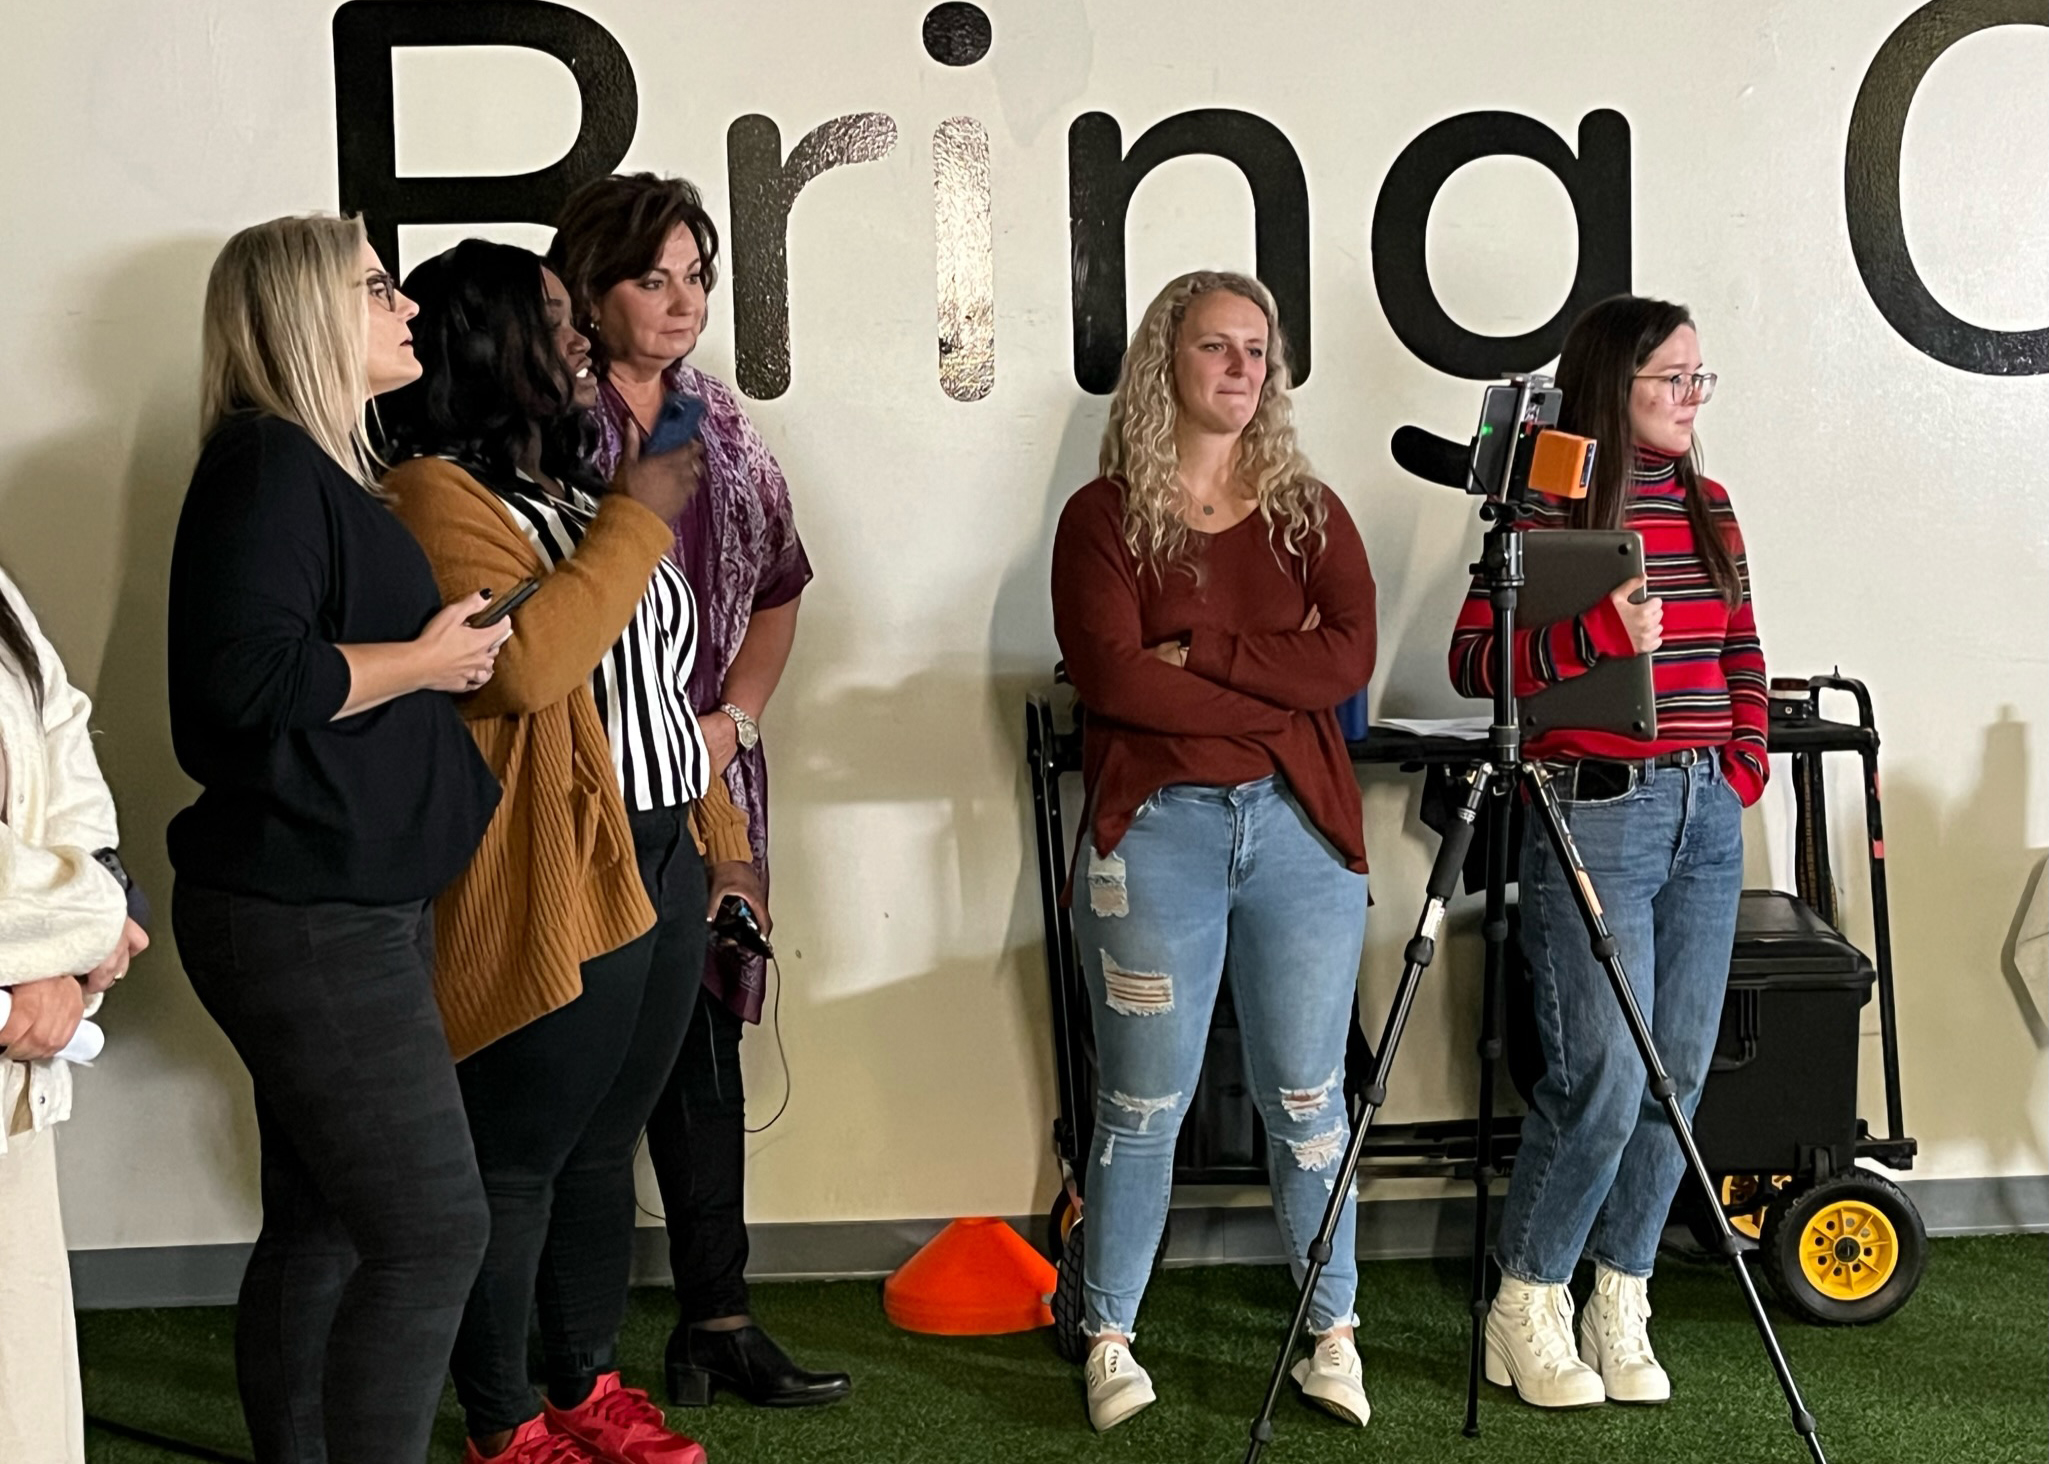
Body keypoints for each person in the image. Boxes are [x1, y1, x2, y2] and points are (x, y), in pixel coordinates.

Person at [381, 238, 766, 1464]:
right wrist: (639, 520)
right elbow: (528, 667)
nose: (579, 341)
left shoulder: (571, 490)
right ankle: (501, 1423)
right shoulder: (435, 493)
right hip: (556, 860)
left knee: (604, 1146)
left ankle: (584, 1388)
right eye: (552, 321)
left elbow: (663, 687)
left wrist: (724, 840)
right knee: (520, 1155)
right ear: (486, 342)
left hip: (660, 850)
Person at [166, 214, 505, 1464]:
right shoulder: (265, 468)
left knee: (328, 1227)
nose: (406, 306)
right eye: (375, 288)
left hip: (341, 902)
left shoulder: (310, 469)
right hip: (305, 914)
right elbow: (242, 685)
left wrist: (431, 661)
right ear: (305, 315)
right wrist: (425, 660)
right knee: (432, 1231)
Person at [1049, 270, 1378, 1431]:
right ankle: (1108, 1336)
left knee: (1310, 1102)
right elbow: (1113, 680)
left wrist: (1207, 657)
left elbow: (1347, 659)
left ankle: (1332, 1335)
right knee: (1143, 1105)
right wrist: (1272, 699)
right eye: (1216, 347)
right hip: (1157, 836)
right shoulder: (1103, 518)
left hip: (1300, 835)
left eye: (1256, 349)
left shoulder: (1307, 512)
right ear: (1167, 362)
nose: (1243, 368)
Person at [549, 173, 843, 1411]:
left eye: (698, 278)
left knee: (705, 1042)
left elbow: (779, 584)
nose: (683, 303)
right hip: (576, 787)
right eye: (653, 279)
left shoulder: (720, 419)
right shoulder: (543, 422)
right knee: (572, 1060)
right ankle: (565, 1362)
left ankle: (718, 1323)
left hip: (708, 780)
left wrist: (734, 725)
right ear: (587, 290)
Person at [1448, 295, 1767, 1409]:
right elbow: (1473, 664)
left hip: (1706, 814)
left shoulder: (1712, 508)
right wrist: (1595, 635)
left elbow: (1742, 651)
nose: (1690, 397)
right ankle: (1525, 1299)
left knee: (1676, 1072)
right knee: (1602, 1074)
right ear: (1610, 387)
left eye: (1697, 378)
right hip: (1595, 814)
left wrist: (1741, 764)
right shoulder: (1545, 516)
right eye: (1670, 378)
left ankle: (1618, 1293)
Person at [0, 569, 149, 1464]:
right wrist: (91, 916)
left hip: (15, 1092)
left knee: (25, 1410)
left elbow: (62, 735)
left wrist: (56, 960)